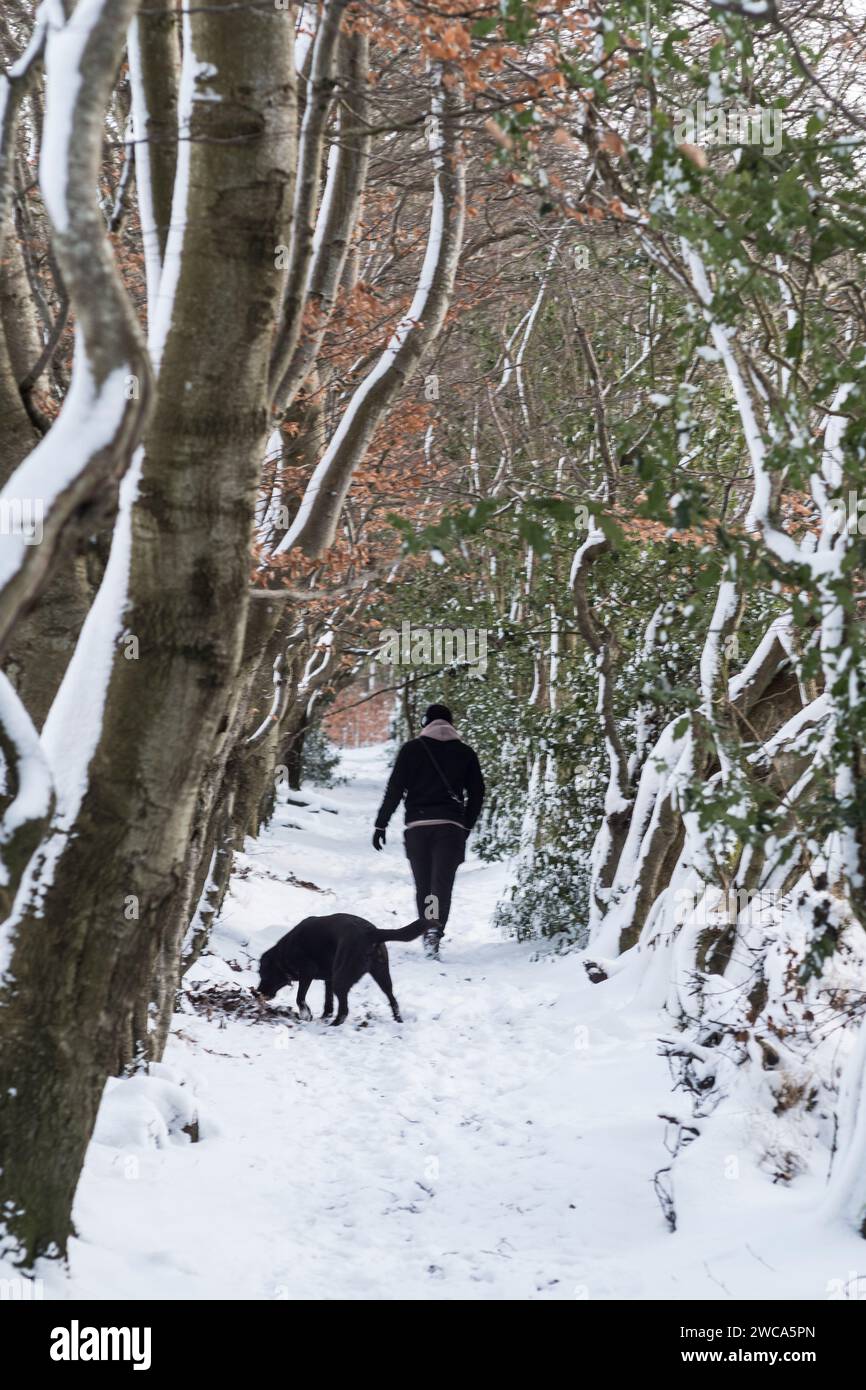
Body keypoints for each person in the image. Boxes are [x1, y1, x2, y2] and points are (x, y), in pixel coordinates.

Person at [372, 703, 485, 956]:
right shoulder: (465, 752)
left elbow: (395, 789)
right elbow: (477, 794)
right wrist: (465, 825)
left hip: (418, 828)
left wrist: (381, 824)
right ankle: (434, 930)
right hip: (450, 827)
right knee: (441, 884)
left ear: (425, 723)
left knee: (424, 884)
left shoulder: (411, 750)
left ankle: (427, 926)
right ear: (451, 724)